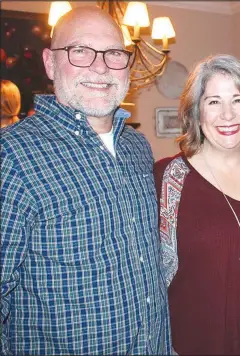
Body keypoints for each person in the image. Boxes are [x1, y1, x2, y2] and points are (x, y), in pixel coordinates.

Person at [0, 7, 171, 355]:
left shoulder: (137, 146)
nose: (100, 66)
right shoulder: (11, 157)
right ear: (50, 63)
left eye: (113, 53)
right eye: (80, 51)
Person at [154, 54, 240, 355]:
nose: (227, 115)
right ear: (196, 112)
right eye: (214, 101)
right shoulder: (167, 179)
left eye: (238, 100)